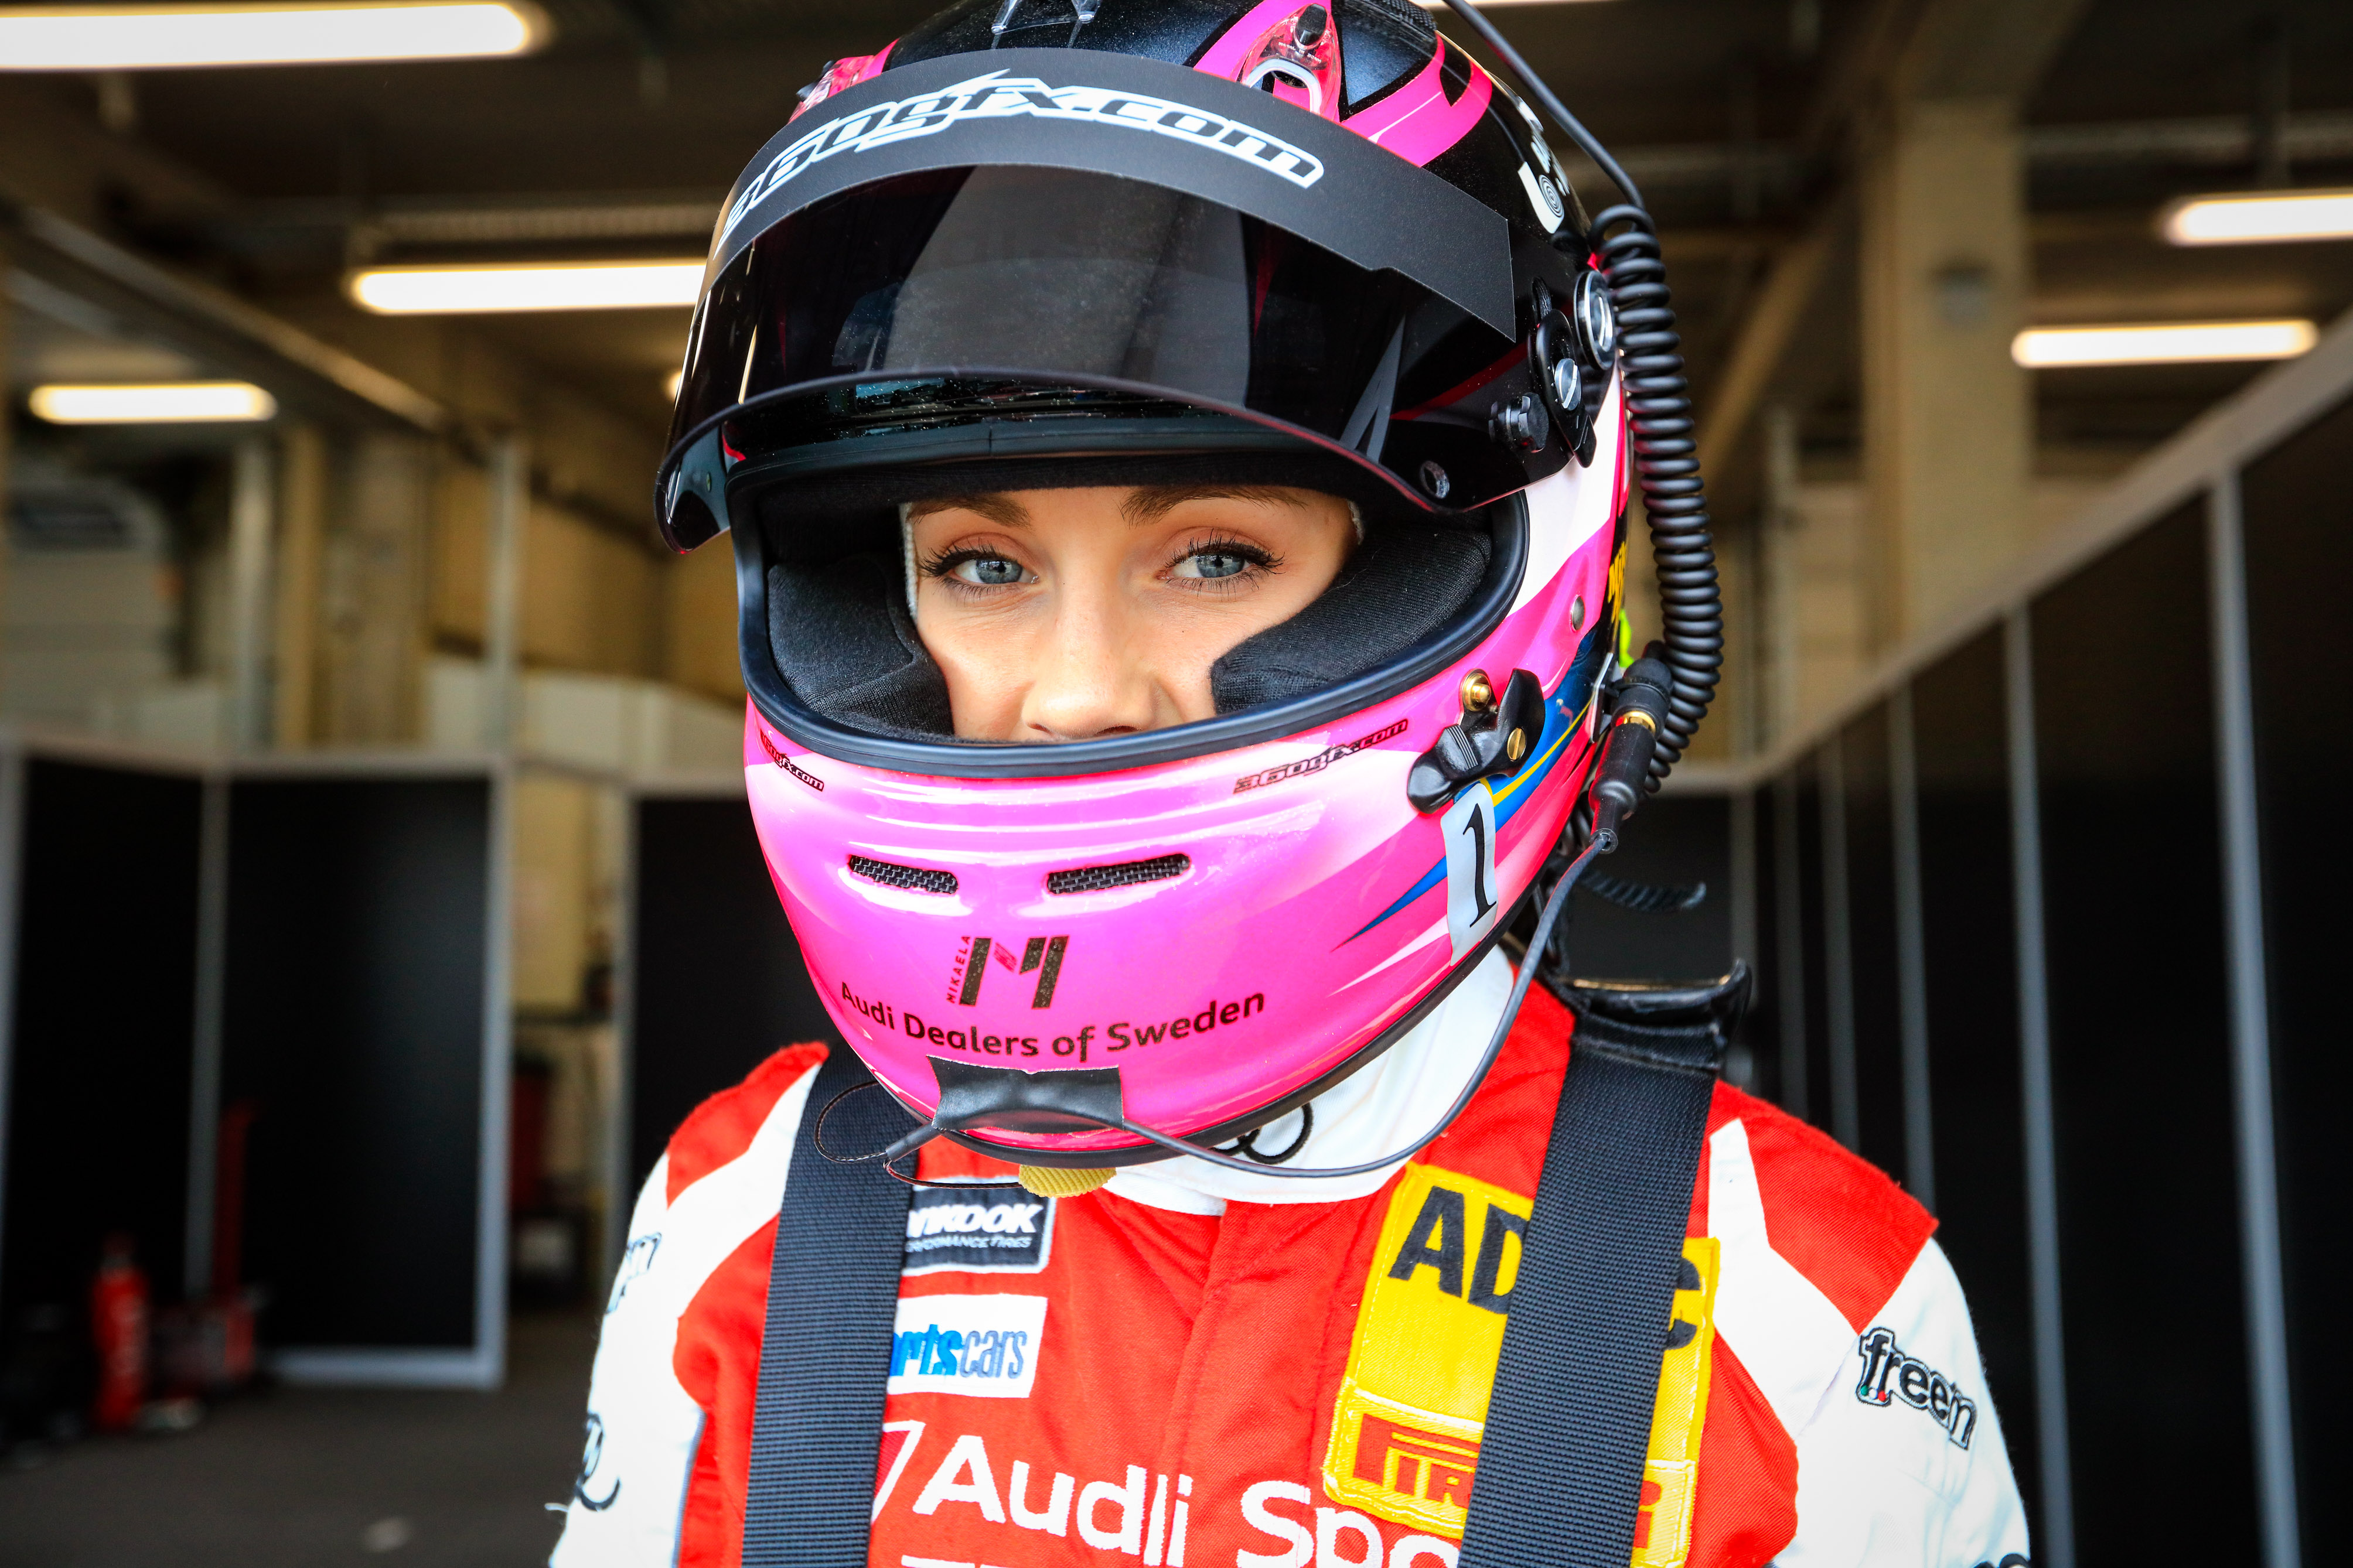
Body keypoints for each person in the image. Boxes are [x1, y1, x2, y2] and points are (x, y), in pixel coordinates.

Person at [554, 4, 2031, 1565]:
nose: (1074, 696)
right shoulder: (747, 1209)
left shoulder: (1801, 1314)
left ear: (1460, 564)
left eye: (1214, 559)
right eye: (982, 565)